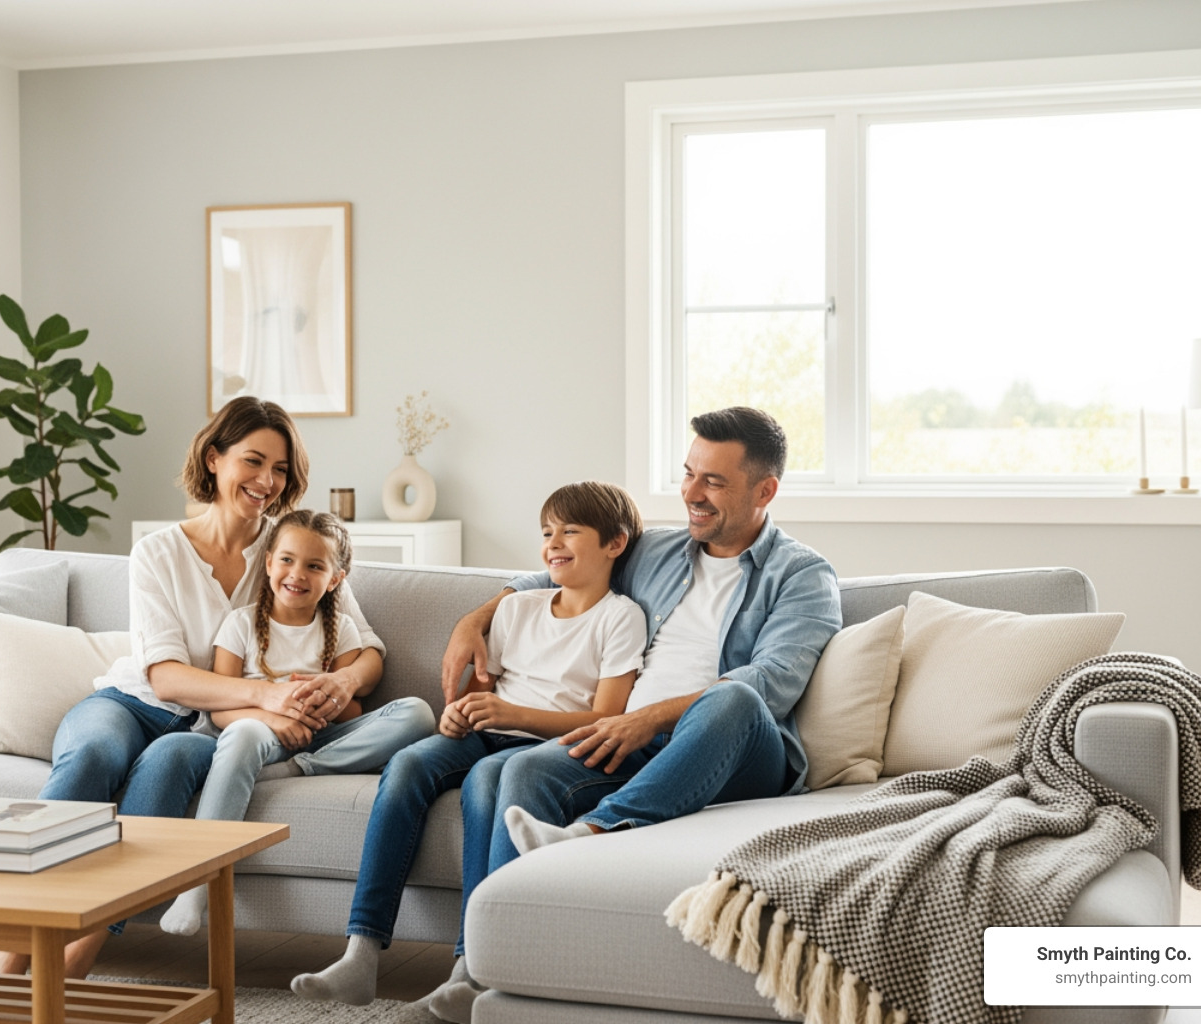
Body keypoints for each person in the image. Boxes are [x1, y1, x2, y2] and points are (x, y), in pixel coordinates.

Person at [435, 407, 842, 1011]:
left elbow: (772, 682)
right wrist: (476, 617)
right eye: (688, 473)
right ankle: (486, 970)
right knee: (521, 772)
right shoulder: (658, 551)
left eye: (714, 482)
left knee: (733, 694)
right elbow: (551, 573)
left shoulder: (803, 575)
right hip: (633, 741)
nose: (692, 494)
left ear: (766, 491)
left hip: (734, 749)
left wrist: (648, 716)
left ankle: (598, 827)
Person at [0, 396, 389, 979]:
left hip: (205, 726)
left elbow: (369, 648)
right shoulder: (158, 551)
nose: (266, 482)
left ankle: (70, 966)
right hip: (132, 703)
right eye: (253, 462)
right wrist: (266, 695)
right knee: (93, 756)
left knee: (166, 768)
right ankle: (5, 967)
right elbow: (165, 676)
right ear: (213, 459)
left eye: (280, 469)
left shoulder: (291, 549)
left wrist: (343, 679)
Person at [291, 482, 647, 1021]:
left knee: (484, 781)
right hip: (490, 729)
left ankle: (468, 969)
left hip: (551, 744)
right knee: (409, 761)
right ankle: (360, 953)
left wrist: (514, 716)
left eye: (570, 532)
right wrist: (462, 709)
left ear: (614, 544)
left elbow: (607, 717)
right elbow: (489, 690)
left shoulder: (621, 617)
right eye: (547, 532)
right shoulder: (517, 608)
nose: (554, 543)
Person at [159, 509, 434, 935]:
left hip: (325, 739)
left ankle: (295, 771)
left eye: (314, 566)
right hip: (257, 730)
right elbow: (220, 708)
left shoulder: (340, 628)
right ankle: (196, 885)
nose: (297, 574)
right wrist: (272, 713)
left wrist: (317, 703)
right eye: (287, 560)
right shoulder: (240, 624)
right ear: (268, 563)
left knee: (416, 712)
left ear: (336, 579)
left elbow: (355, 708)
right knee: (245, 732)